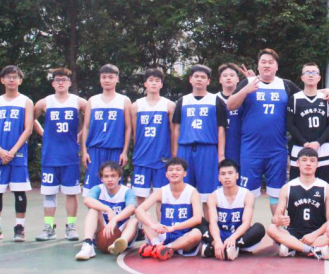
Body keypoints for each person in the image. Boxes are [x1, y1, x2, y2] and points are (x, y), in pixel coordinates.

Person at [226, 49, 329, 213]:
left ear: (277, 66)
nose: (267, 65)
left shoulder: (285, 85)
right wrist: (245, 90)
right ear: (258, 66)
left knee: (277, 194)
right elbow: (230, 105)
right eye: (263, 62)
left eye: (271, 62)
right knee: (248, 195)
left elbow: (306, 96)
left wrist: (325, 91)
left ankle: (278, 227)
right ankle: (245, 228)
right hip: (251, 149)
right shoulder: (248, 83)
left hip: (277, 150)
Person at [33, 68, 87, 241]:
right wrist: (43, 133)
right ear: (53, 84)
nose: (61, 82)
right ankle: (49, 227)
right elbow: (30, 119)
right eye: (58, 80)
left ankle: (71, 227)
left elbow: (91, 120)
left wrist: (80, 135)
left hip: (70, 155)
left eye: (64, 80)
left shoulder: (78, 102)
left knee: (71, 193)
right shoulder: (45, 102)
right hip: (50, 156)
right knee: (49, 193)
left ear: (70, 83)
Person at [0, 65, 34, 242]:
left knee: (19, 191)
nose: (11, 80)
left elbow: (28, 129)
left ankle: (20, 228)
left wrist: (12, 151)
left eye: (15, 77)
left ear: (20, 80)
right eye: (8, 77)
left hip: (17, 154)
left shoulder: (26, 102)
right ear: (2, 80)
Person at [267, 148, 329, 260]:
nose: (308, 163)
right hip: (293, 232)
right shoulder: (287, 187)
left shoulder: (326, 188)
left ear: (317, 164)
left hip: (317, 234)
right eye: (304, 160)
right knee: (272, 228)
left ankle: (293, 247)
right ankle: (311, 250)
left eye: (312, 161)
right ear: (297, 163)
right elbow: (276, 218)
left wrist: (314, 234)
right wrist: (278, 220)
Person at [172, 64, 228, 206]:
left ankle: (208, 221)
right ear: (190, 79)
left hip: (207, 149)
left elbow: (221, 129)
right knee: (184, 192)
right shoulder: (182, 101)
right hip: (185, 149)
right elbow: (176, 128)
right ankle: (187, 220)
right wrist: (175, 153)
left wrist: (221, 154)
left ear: (208, 81)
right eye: (196, 76)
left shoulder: (216, 101)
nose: (199, 79)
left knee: (208, 194)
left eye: (203, 77)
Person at [135, 157, 203, 260]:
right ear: (166, 174)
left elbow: (197, 218)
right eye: (171, 170)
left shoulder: (192, 192)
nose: (174, 172)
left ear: (184, 173)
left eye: (178, 170)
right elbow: (139, 210)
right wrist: (153, 225)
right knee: (146, 216)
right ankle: (157, 245)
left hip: (184, 236)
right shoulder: (162, 191)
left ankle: (166, 248)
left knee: (196, 234)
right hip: (164, 234)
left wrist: (174, 228)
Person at [81, 64, 132, 196]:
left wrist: (124, 152)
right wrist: (84, 151)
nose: (107, 80)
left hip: (115, 149)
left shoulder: (124, 100)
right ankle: (93, 210)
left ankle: (115, 210)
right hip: (95, 150)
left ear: (117, 79)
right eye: (104, 77)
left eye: (110, 77)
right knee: (92, 189)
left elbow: (128, 127)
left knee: (114, 188)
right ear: (100, 79)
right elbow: (86, 127)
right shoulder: (93, 100)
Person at [201, 159, 266, 260]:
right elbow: (213, 222)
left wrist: (233, 238)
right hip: (220, 234)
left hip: (238, 235)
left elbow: (246, 223)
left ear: (237, 175)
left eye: (230, 173)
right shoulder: (213, 197)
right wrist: (217, 241)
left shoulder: (247, 195)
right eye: (223, 174)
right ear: (219, 178)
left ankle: (230, 247)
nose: (227, 177)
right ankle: (222, 248)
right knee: (199, 221)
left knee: (259, 228)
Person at [287, 62, 329, 186]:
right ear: (302, 77)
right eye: (307, 72)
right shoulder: (295, 99)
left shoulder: (326, 99)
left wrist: (318, 142)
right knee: (297, 189)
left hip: (323, 149)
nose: (311, 75)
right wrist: (304, 143)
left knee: (327, 189)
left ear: (319, 77)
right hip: (300, 149)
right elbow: (290, 125)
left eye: (314, 72)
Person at [75, 161, 139, 261]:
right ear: (101, 179)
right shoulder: (98, 189)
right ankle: (88, 245)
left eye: (113, 176)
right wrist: (108, 209)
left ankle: (121, 243)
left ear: (119, 177)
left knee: (134, 221)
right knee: (93, 211)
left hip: (120, 230)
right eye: (106, 176)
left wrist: (114, 220)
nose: (110, 179)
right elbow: (87, 200)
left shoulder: (127, 191)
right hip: (102, 230)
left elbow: (131, 208)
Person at [131, 68, 176, 205]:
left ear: (161, 84)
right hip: (142, 158)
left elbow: (174, 133)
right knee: (139, 195)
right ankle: (139, 219)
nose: (154, 83)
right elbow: (135, 133)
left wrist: (174, 154)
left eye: (157, 80)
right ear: (145, 83)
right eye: (150, 80)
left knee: (162, 197)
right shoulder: (136, 106)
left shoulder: (169, 105)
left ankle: (161, 220)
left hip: (162, 158)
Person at [217, 63, 242, 164]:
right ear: (220, 79)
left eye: (232, 75)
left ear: (238, 79)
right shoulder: (213, 100)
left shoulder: (244, 98)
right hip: (219, 147)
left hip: (239, 145)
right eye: (225, 75)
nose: (228, 78)